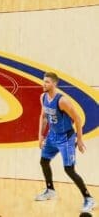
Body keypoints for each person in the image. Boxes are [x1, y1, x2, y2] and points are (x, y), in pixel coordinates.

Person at [35, 72, 96, 213]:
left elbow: (78, 119)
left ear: (54, 84)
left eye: (47, 82)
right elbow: (43, 117)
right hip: (52, 136)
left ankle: (89, 198)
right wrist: (40, 135)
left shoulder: (62, 101)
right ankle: (50, 190)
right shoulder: (43, 97)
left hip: (66, 138)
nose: (44, 84)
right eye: (43, 81)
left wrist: (79, 139)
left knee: (69, 169)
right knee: (44, 161)